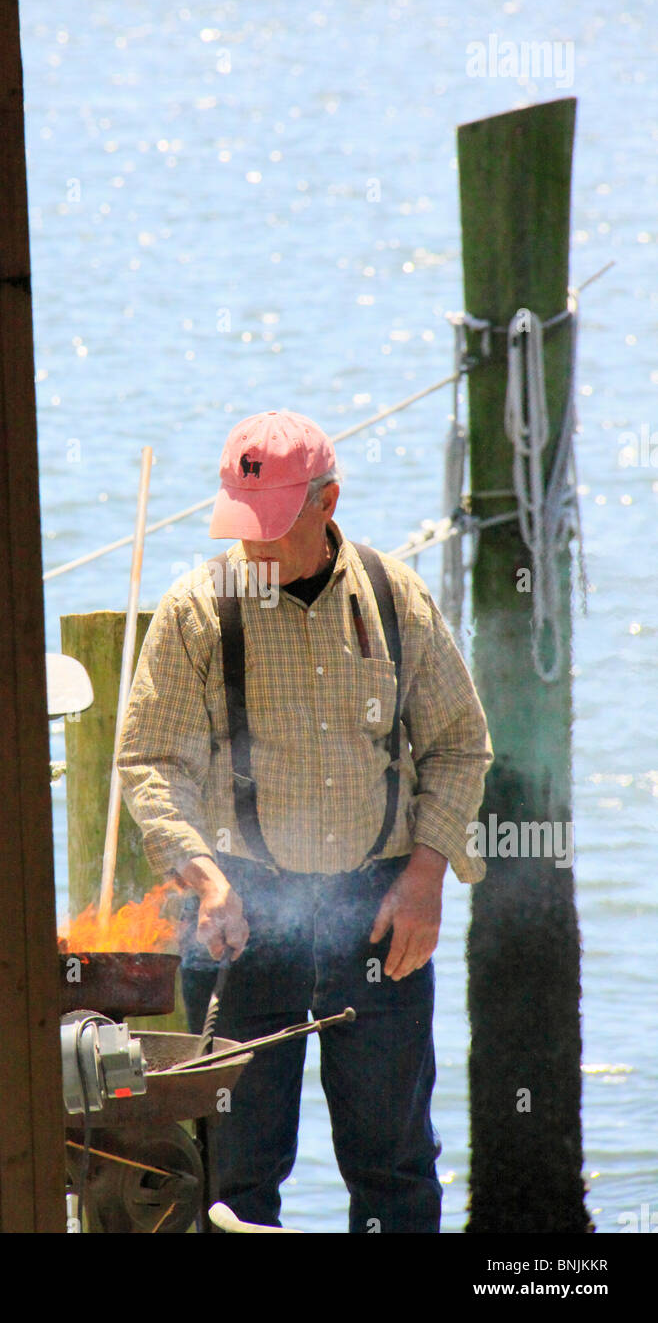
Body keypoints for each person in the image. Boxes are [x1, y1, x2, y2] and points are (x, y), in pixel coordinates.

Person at [117, 409, 493, 1232]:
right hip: (238, 921)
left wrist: (427, 876)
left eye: (273, 527)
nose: (252, 548)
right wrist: (204, 877)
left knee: (395, 1170)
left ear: (328, 502)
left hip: (380, 918)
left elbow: (461, 747)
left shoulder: (396, 596)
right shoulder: (195, 611)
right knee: (231, 1179)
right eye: (241, 526)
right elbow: (149, 764)